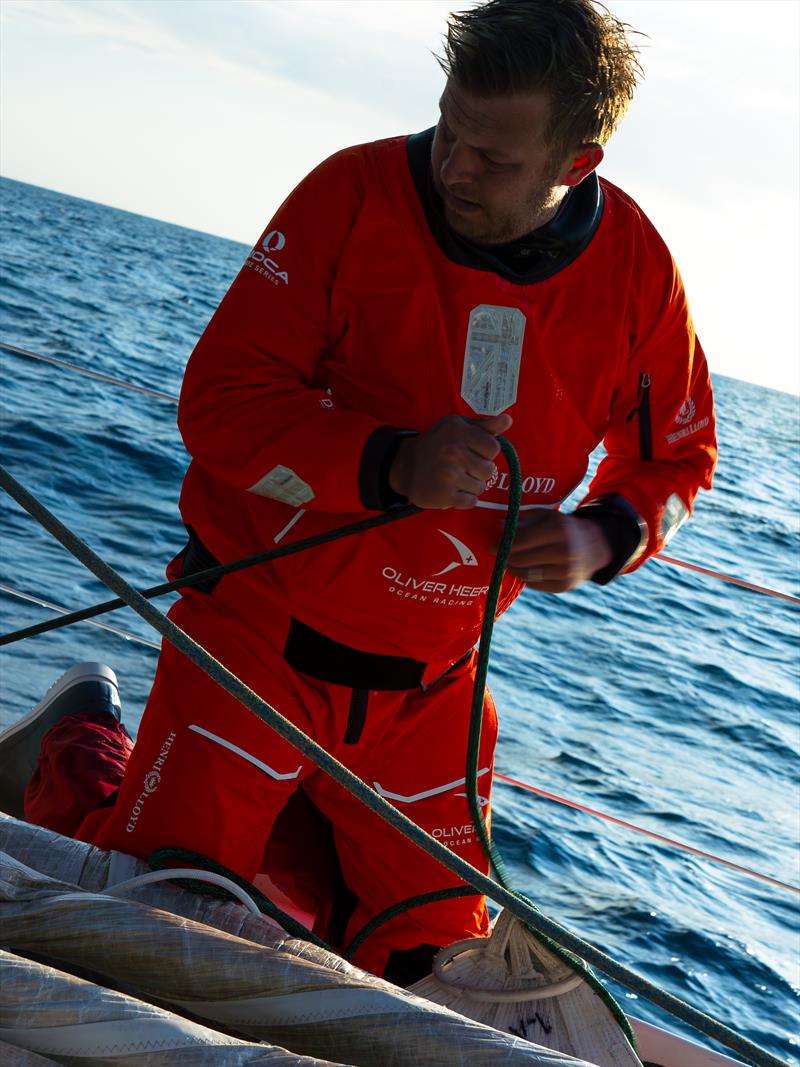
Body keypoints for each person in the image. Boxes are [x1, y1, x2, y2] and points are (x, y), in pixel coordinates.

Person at [3, 0, 716, 986]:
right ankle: (77, 734)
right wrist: (387, 461)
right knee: (157, 915)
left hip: (433, 687)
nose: (453, 165)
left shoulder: (638, 274)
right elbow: (217, 408)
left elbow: (679, 461)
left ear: (575, 165)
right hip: (257, 643)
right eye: (445, 129)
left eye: (491, 158)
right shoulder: (348, 194)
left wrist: (605, 533)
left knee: (434, 963)